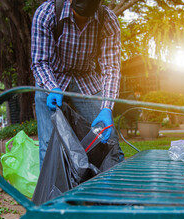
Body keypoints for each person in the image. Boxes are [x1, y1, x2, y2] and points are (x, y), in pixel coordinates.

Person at [31, 0, 122, 168]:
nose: (83, 20)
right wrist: (52, 87)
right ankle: (56, 194)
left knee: (108, 141)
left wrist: (106, 107)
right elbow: (40, 62)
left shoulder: (107, 19)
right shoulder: (47, 13)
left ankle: (111, 190)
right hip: (50, 79)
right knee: (50, 145)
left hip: (86, 80)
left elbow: (111, 68)